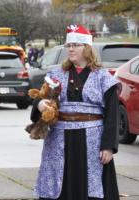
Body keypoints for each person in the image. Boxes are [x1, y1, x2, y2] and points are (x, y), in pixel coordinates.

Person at [31, 25, 120, 200]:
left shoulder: (103, 77)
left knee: (91, 187)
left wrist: (108, 146)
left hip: (92, 140)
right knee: (58, 183)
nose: (70, 49)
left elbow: (112, 115)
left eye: (76, 45)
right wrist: (40, 104)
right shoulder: (56, 74)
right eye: (68, 45)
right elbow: (39, 99)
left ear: (87, 48)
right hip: (59, 139)